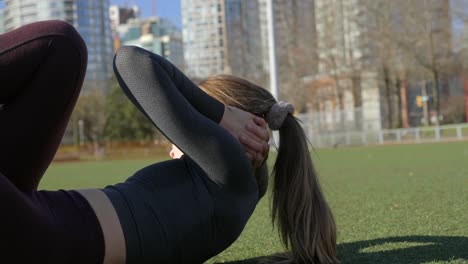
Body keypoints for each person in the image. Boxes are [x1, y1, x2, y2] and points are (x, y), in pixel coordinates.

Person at [0, 20, 269, 263]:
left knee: (64, 43)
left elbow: (131, 61)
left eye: (193, 114)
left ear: (235, 130)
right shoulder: (228, 188)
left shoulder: (231, 172)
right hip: (29, 214)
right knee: (63, 46)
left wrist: (221, 114)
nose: (174, 137)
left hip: (40, 241)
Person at [108, 45, 338, 263]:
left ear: (225, 132)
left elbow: (129, 60)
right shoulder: (242, 186)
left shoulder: (225, 170)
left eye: (179, 136)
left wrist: (222, 114)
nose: (172, 148)